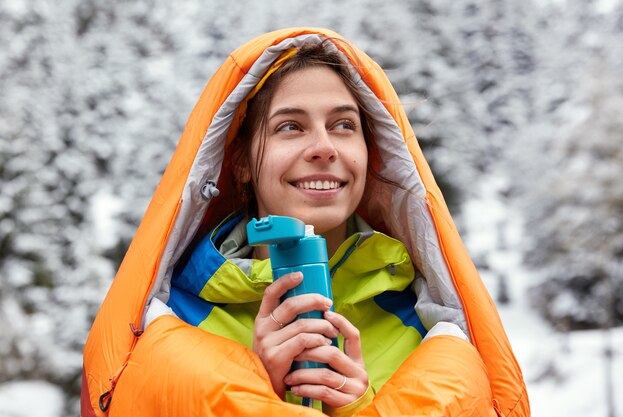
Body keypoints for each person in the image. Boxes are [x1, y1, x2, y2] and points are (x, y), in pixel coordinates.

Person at [82, 28, 530, 417]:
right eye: (290, 127)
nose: (323, 147)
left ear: (373, 155)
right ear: (240, 162)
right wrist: (259, 391)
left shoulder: (426, 330)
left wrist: (359, 405)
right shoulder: (171, 325)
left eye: (343, 125)